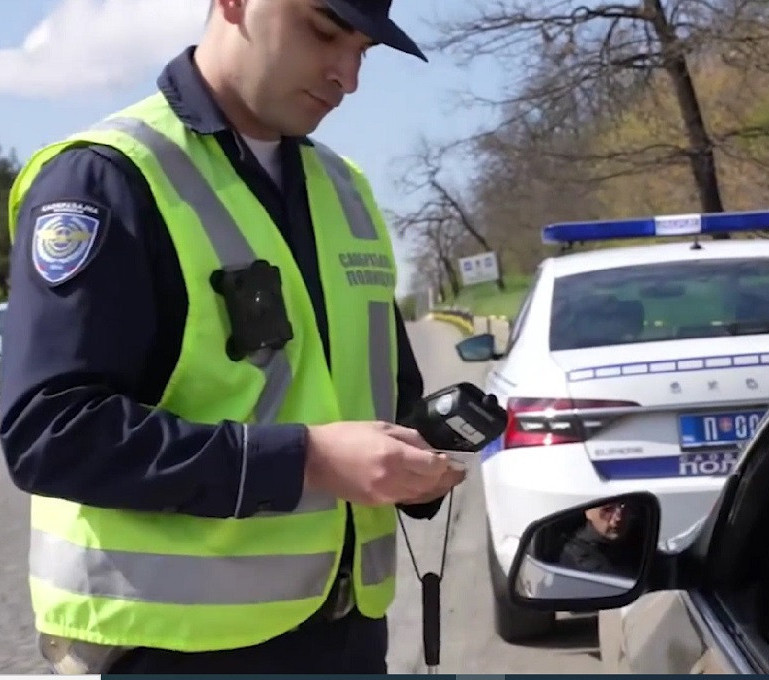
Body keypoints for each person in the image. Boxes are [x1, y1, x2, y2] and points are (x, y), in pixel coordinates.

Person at [0, 0, 466, 674]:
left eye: (362, 49)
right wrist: (305, 461)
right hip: (170, 653)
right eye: (324, 31)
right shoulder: (109, 177)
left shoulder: (346, 191)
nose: (347, 76)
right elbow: (51, 434)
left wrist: (413, 464)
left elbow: (377, 402)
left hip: (346, 640)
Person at [558, 502, 642, 575]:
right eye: (607, 509)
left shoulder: (639, 541)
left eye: (625, 508)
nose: (618, 518)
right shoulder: (575, 555)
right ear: (588, 512)